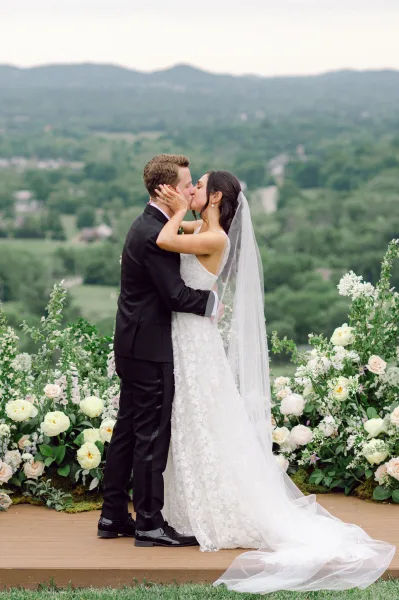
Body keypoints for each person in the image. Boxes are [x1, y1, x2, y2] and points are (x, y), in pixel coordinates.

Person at [153, 170, 395, 594]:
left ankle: (219, 509)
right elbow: (170, 235)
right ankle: (187, 507)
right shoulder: (206, 226)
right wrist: (178, 210)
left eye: (199, 185)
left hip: (195, 339)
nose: (191, 191)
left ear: (214, 199)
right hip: (187, 335)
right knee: (192, 420)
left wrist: (172, 209)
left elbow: (164, 240)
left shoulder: (215, 239)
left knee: (202, 417)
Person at [98, 154, 217, 548]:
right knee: (150, 435)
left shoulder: (150, 223)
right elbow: (176, 295)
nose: (188, 192)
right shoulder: (153, 233)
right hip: (149, 348)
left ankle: (113, 515)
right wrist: (216, 304)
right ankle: (149, 522)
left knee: (129, 431)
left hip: (133, 342)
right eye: (184, 185)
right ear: (164, 190)